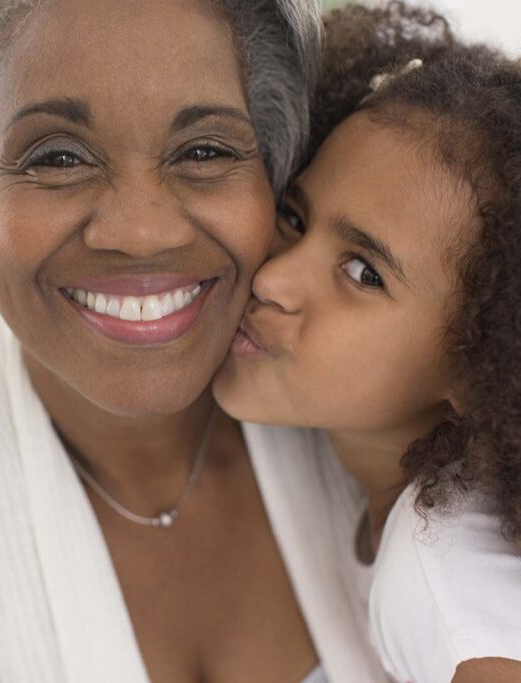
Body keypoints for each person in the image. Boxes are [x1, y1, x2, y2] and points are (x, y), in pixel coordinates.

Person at [0, 1, 388, 681]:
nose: (140, 232)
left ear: (277, 183)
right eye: (58, 157)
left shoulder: (360, 393)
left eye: (204, 151)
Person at [212, 4, 521, 682]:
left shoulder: (442, 579)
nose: (272, 276)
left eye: (363, 271)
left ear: (480, 359)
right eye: (294, 215)